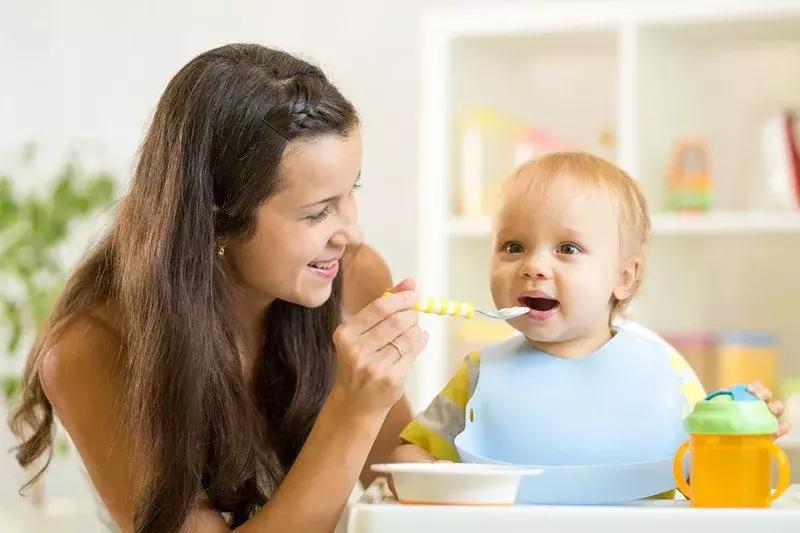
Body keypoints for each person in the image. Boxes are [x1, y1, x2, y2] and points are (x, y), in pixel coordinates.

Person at [10, 43, 427, 533]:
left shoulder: (354, 277)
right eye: (317, 212)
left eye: (351, 192)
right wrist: (352, 408)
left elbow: (409, 484)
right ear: (216, 217)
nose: (351, 233)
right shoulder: (91, 349)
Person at [392, 152, 788, 475]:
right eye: (513, 247)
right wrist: (434, 480)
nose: (534, 266)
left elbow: (706, 475)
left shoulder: (664, 373)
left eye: (567, 248)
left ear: (624, 277)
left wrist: (742, 437)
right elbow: (406, 460)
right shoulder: (478, 377)